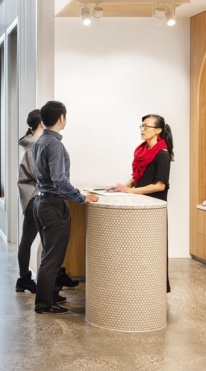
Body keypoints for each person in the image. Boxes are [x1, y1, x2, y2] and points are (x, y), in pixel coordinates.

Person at [32, 100, 98, 315]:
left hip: (41, 202)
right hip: (52, 204)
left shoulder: (40, 141)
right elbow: (59, 180)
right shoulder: (55, 144)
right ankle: (44, 304)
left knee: (49, 255)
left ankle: (49, 297)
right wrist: (80, 197)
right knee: (53, 258)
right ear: (61, 118)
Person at [15, 110, 79, 295]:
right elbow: (44, 176)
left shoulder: (30, 143)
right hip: (37, 196)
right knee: (46, 244)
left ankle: (29, 279)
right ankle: (47, 286)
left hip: (31, 196)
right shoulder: (36, 144)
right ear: (43, 123)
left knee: (34, 241)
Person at [111, 113, 174, 291]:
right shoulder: (142, 151)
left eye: (147, 126)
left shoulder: (162, 154)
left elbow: (160, 185)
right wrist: (124, 186)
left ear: (158, 130)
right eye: (142, 126)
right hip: (141, 206)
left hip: (153, 208)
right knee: (140, 250)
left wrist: (132, 190)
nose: (143, 130)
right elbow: (138, 176)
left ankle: (155, 288)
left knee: (153, 252)